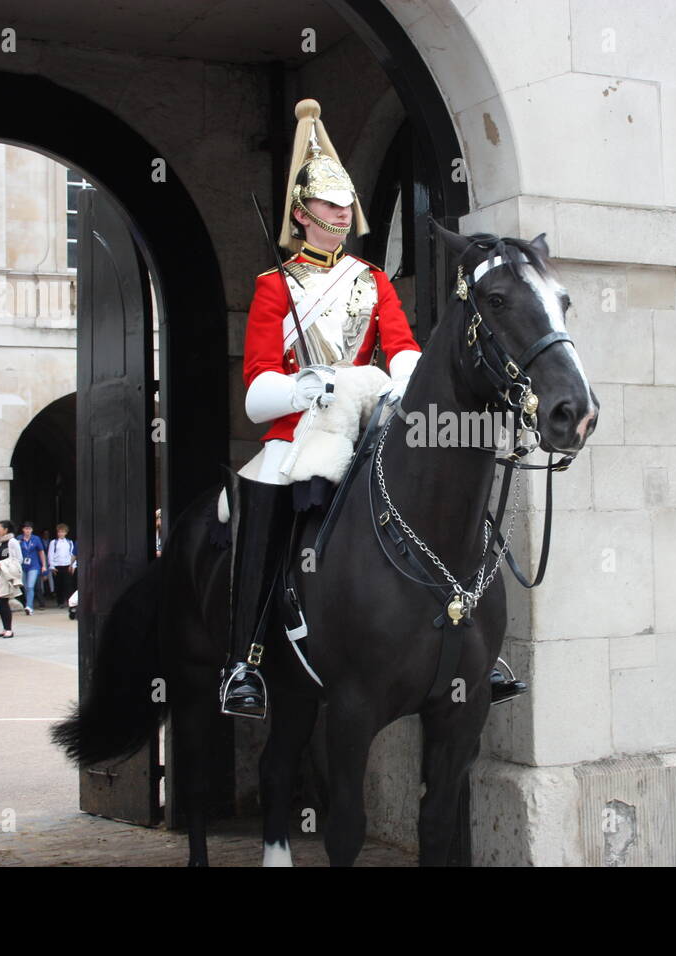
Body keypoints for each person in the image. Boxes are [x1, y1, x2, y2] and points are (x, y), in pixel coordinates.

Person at [219, 98, 527, 718]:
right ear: (302, 215)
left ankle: (474, 641)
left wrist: (409, 390)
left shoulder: (372, 280)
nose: (342, 215)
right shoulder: (273, 288)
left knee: (440, 484)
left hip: (366, 414)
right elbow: (255, 392)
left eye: (345, 205)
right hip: (297, 430)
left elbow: (404, 347)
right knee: (267, 507)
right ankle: (245, 660)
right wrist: (303, 387)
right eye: (330, 206)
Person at [0, 520, 23, 638]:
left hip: (6, 575)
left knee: (4, 601)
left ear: (5, 529)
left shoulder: (12, 542)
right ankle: (5, 628)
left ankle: (9, 629)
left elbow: (18, 559)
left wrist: (4, 564)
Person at [17, 521, 47, 615]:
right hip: (22, 566)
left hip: (34, 565)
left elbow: (41, 552)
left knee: (30, 586)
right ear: (23, 530)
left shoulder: (36, 539)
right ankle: (28, 604)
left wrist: (44, 565)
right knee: (25, 587)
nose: (27, 531)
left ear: (32, 530)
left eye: (29, 529)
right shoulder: (19, 539)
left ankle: (29, 606)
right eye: (26, 529)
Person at [48, 523, 77, 609]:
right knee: (58, 585)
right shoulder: (54, 542)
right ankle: (60, 602)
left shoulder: (69, 542)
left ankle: (70, 602)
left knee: (68, 585)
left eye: (63, 532)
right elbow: (50, 555)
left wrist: (73, 565)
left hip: (67, 565)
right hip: (57, 566)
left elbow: (72, 554)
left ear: (66, 533)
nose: (61, 534)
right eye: (59, 532)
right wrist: (52, 566)